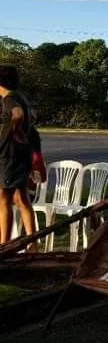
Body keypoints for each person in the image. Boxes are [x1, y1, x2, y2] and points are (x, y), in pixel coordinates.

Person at [0, 65, 36, 250]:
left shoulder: (9, 99)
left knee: (3, 199)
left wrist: (12, 131)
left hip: (10, 155)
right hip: (21, 154)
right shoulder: (22, 97)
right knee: (22, 199)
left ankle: (4, 244)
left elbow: (17, 114)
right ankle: (32, 244)